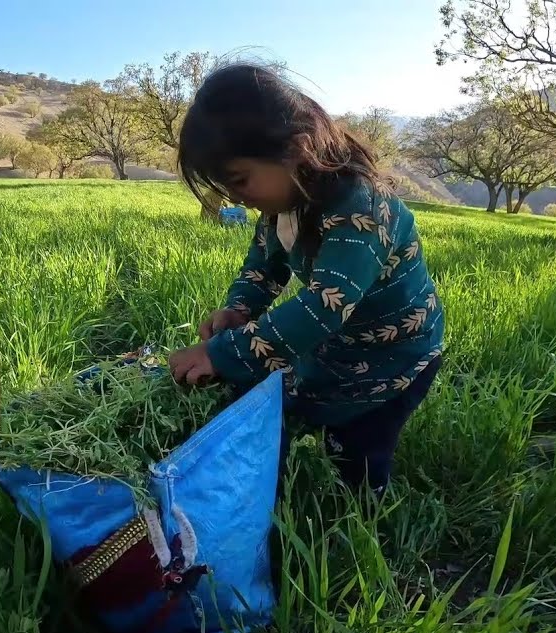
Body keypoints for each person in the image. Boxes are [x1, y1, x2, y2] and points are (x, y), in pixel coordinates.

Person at [167, 64, 446, 498]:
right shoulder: (284, 202)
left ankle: (363, 513)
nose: (236, 197)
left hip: (397, 355)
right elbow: (264, 266)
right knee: (289, 400)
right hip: (342, 344)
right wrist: (239, 309)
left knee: (357, 448)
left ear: (296, 148)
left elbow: (323, 307)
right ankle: (267, 488)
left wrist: (219, 353)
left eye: (239, 180)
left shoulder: (362, 209)